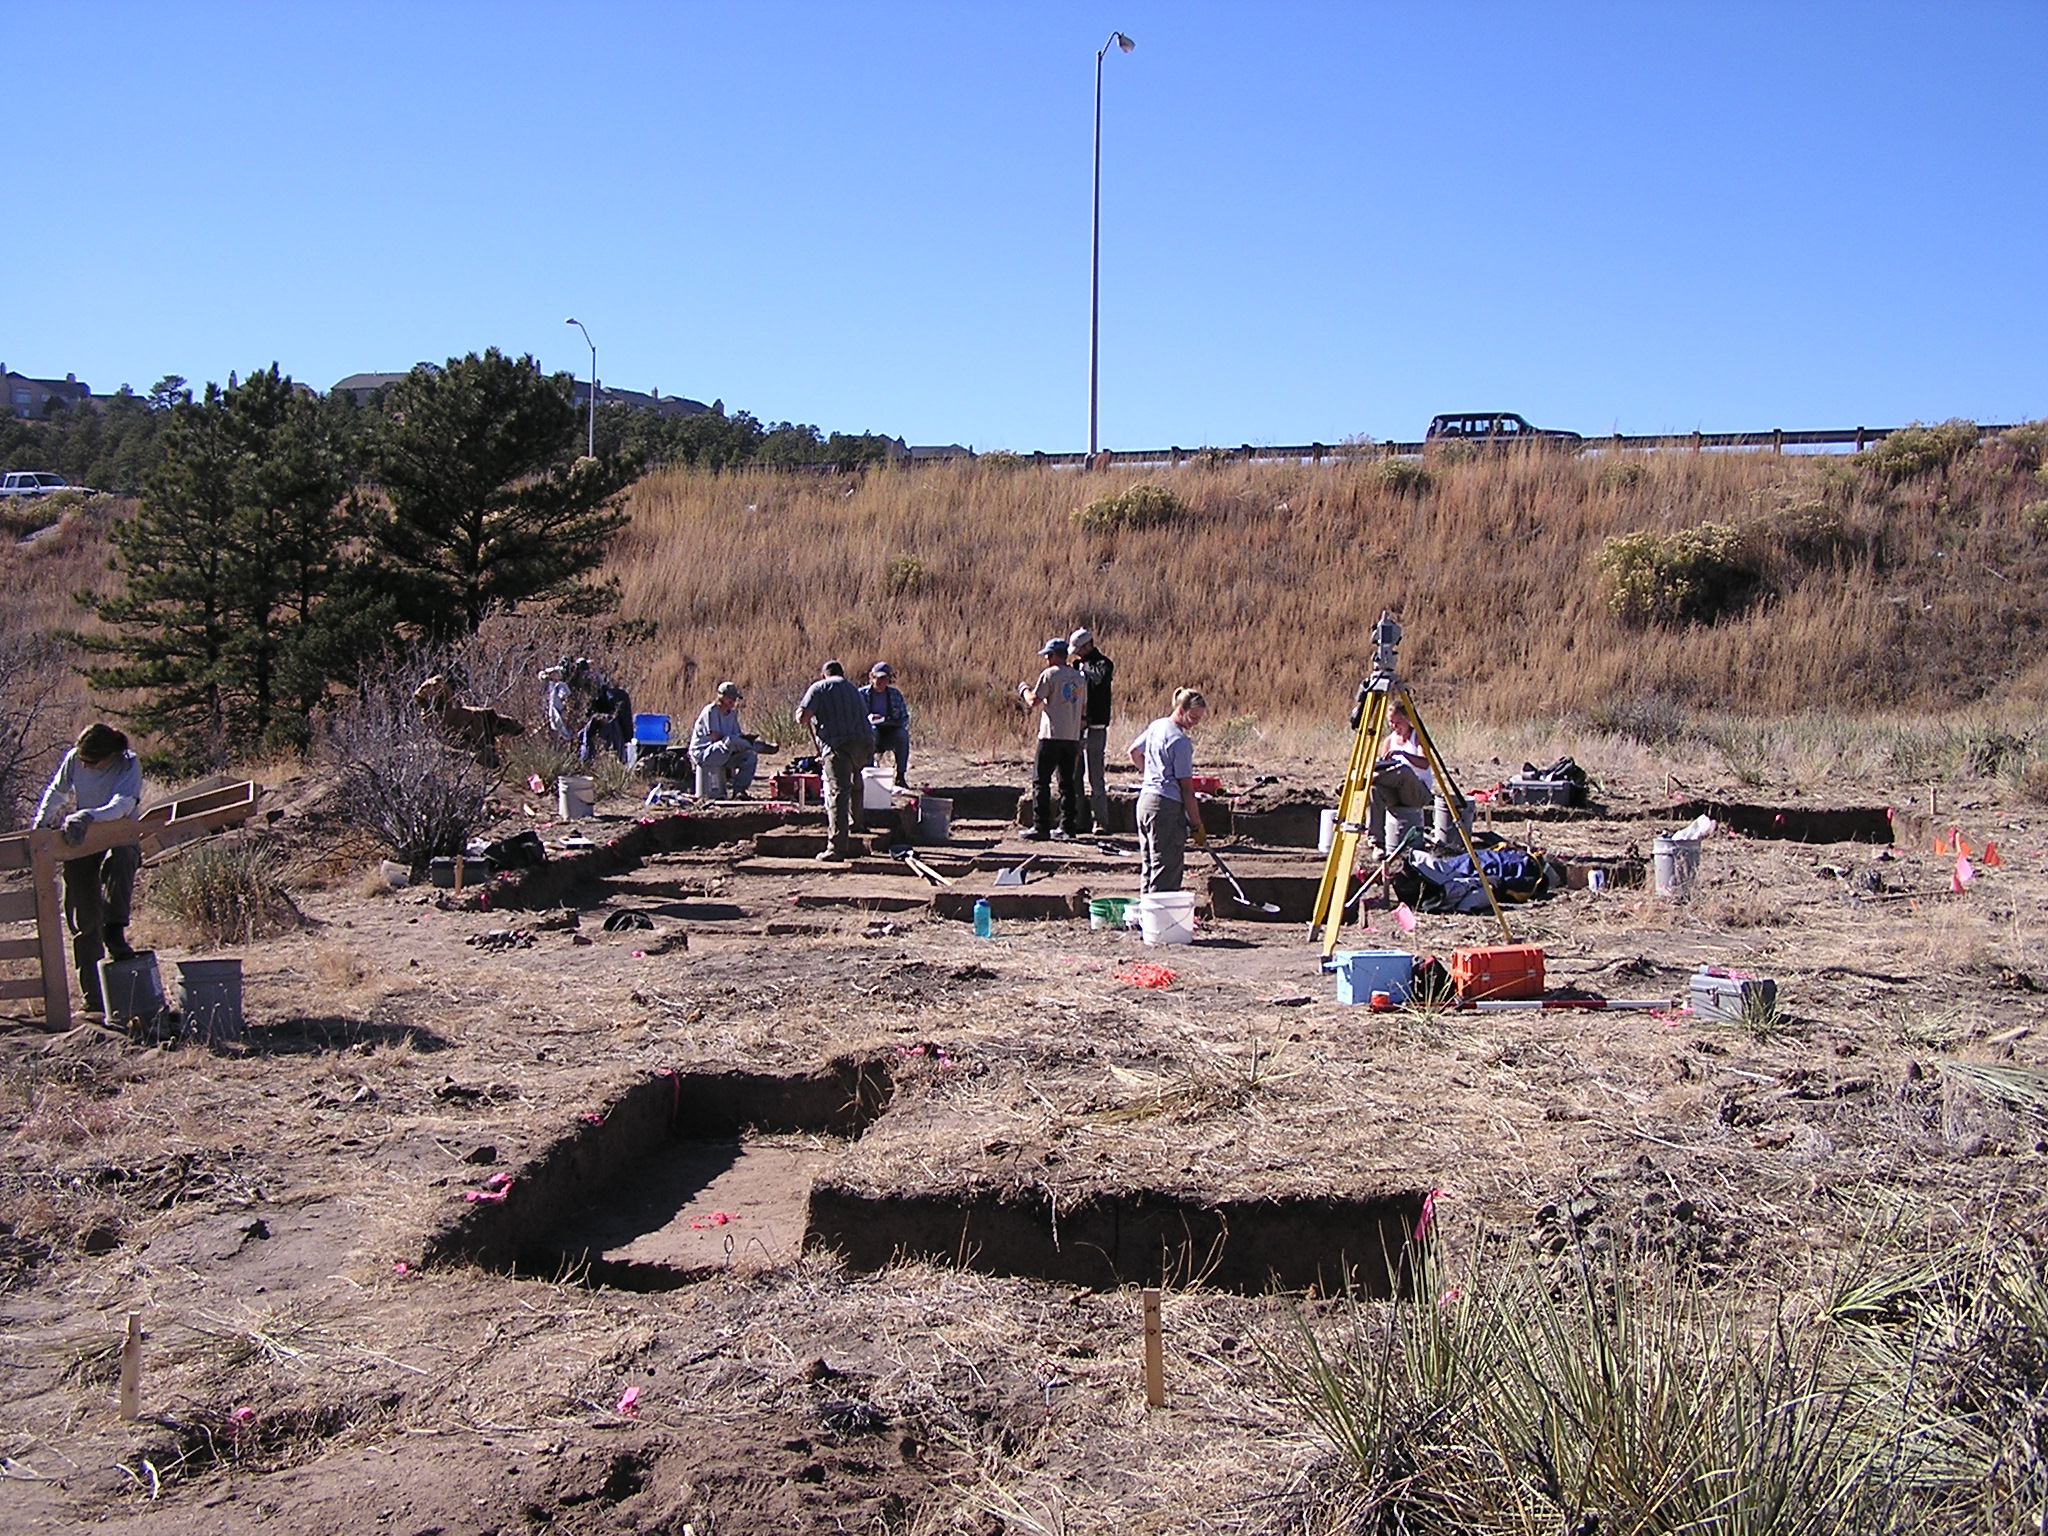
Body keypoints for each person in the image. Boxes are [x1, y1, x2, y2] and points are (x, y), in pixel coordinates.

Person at [32, 723, 145, 1014]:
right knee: (84, 918)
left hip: (117, 830)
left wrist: (88, 816)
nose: (85, 764)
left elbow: (122, 805)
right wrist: (42, 826)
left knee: (121, 859)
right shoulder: (75, 759)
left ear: (109, 756)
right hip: (81, 835)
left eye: (91, 762)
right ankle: (94, 1000)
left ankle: (115, 928)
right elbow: (58, 791)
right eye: (82, 759)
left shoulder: (128, 763)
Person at [1127, 688, 1207, 893]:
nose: (1196, 722)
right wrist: (1197, 825)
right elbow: (1187, 789)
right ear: (1181, 709)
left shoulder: (1157, 726)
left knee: (1150, 865)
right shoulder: (1180, 742)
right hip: (1165, 808)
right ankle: (1161, 921)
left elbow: (1134, 752)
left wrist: (1151, 775)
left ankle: (1147, 917)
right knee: (1166, 868)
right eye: (1194, 717)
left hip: (1145, 803)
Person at [796, 660, 873, 861]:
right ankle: (856, 823)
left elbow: (804, 717)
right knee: (855, 782)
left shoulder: (819, 688)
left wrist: (799, 715)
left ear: (824, 675)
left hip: (838, 745)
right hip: (864, 743)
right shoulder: (853, 690)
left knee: (838, 791)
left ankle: (836, 848)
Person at [1016, 638, 1088, 841]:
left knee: (1041, 782)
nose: (1046, 659)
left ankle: (1041, 826)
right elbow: (1083, 708)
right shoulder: (1080, 678)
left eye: (1048, 655)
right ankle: (1068, 827)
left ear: (1056, 656)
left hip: (1051, 736)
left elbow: (1033, 701)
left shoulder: (1050, 675)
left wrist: (1024, 689)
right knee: (1067, 783)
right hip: (1071, 737)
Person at [1368, 703, 1434, 853]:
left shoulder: (1417, 737)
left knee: (1404, 771)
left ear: (1407, 719)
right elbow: (1384, 766)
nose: (1394, 726)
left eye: (1398, 723)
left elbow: (1425, 763)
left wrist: (1403, 755)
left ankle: (1369, 778)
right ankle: (1376, 842)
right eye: (1391, 722)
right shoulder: (1389, 741)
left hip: (1417, 793)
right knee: (1374, 790)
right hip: (1396, 793)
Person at [1068, 628, 1114, 833]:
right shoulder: (1078, 665)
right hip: (1077, 726)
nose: (1077, 653)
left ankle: (1101, 821)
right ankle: (1079, 818)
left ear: (1088, 646)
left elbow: (1098, 680)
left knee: (1096, 775)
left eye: (1079, 649)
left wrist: (1081, 670)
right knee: (1075, 775)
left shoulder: (1104, 664)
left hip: (1096, 726)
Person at [688, 681, 758, 797]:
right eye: (730, 698)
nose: (733, 702)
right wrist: (737, 742)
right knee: (731, 741)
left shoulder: (732, 714)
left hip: (725, 751)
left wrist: (744, 741)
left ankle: (739, 791)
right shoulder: (711, 711)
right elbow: (716, 738)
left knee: (750, 756)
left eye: (735, 699)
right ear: (722, 697)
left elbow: (737, 735)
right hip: (704, 753)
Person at [860, 663, 911, 787]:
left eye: (882, 678)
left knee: (902, 735)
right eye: (876, 677)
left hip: (889, 732)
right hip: (868, 733)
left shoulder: (895, 694)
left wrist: (892, 722)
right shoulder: (861, 694)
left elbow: (904, 717)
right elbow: (854, 718)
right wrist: (869, 718)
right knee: (872, 731)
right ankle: (869, 773)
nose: (879, 681)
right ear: (871, 678)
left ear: (888, 679)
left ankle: (900, 775)